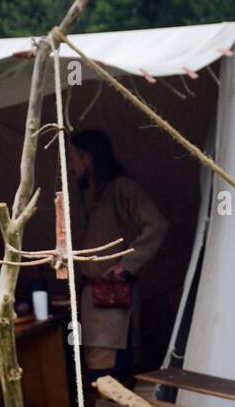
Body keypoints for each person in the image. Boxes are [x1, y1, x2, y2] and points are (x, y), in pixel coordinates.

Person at [66, 130, 168, 382]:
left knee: (111, 377)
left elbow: (157, 225)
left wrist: (126, 265)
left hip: (112, 304)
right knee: (98, 373)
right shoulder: (89, 194)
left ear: (87, 159)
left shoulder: (123, 189)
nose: (69, 167)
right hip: (94, 304)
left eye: (72, 159)